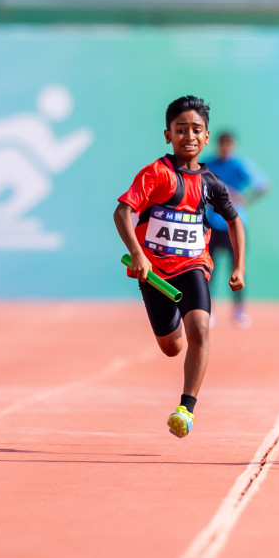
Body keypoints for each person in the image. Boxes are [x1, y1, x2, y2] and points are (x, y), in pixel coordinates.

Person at [115, 96, 244, 439]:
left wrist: (239, 267)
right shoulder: (156, 173)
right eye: (180, 129)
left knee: (200, 329)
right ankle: (173, 329)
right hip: (154, 274)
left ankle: (186, 408)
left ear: (206, 136)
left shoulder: (211, 183)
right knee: (172, 347)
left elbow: (235, 222)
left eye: (196, 130)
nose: (188, 135)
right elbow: (123, 212)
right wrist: (138, 254)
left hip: (193, 266)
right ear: (167, 135)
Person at [203, 130, 269, 329]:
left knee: (237, 269)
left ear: (233, 145)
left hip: (235, 225)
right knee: (208, 269)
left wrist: (244, 199)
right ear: (218, 145)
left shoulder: (239, 164)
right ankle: (208, 310)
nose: (225, 148)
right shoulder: (208, 164)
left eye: (229, 144)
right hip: (212, 224)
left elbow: (263, 184)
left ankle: (239, 309)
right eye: (222, 144)